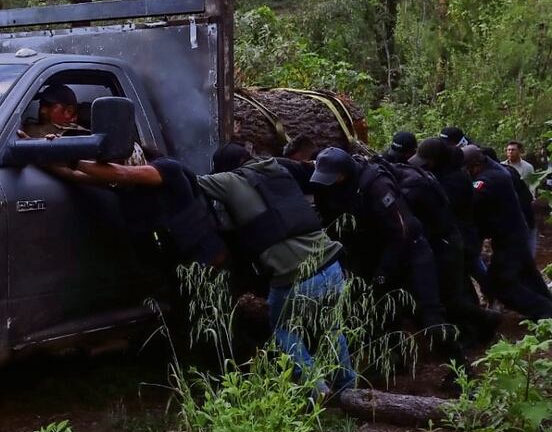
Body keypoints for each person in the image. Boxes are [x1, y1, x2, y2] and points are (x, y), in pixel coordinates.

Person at [199, 143, 355, 395]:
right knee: (330, 328)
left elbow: (191, 183)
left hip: (294, 277)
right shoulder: (277, 168)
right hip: (331, 265)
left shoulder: (229, 180)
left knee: (282, 328)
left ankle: (316, 388)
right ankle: (348, 386)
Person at [308, 148, 458, 350]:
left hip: (410, 253)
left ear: (345, 172)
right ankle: (395, 360)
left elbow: (401, 232)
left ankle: (459, 370)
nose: (329, 182)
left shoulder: (377, 184)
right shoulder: (332, 188)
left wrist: (383, 274)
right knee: (381, 313)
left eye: (333, 178)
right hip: (373, 253)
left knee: (430, 317)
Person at [48, 151, 228, 270]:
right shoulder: (125, 185)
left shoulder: (167, 168)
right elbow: (74, 176)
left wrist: (74, 161)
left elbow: (122, 173)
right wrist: (38, 152)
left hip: (207, 259)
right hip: (177, 262)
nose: (111, 169)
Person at [401, 141, 501, 343]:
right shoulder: (448, 173)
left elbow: (443, 209)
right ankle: (479, 328)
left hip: (456, 239)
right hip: (454, 238)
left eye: (427, 161)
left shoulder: (454, 179)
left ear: (438, 159)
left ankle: (485, 322)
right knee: (460, 289)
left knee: (454, 296)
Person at [462, 145, 552, 320]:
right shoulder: (498, 169)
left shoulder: (487, 179)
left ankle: (545, 314)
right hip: (515, 233)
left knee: (501, 284)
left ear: (474, 165)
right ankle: (547, 308)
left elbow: (472, 199)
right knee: (529, 276)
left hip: (509, 239)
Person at [20, 84, 87, 138]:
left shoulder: (79, 136)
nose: (42, 111)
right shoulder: (29, 126)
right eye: (41, 104)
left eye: (48, 106)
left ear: (68, 111)